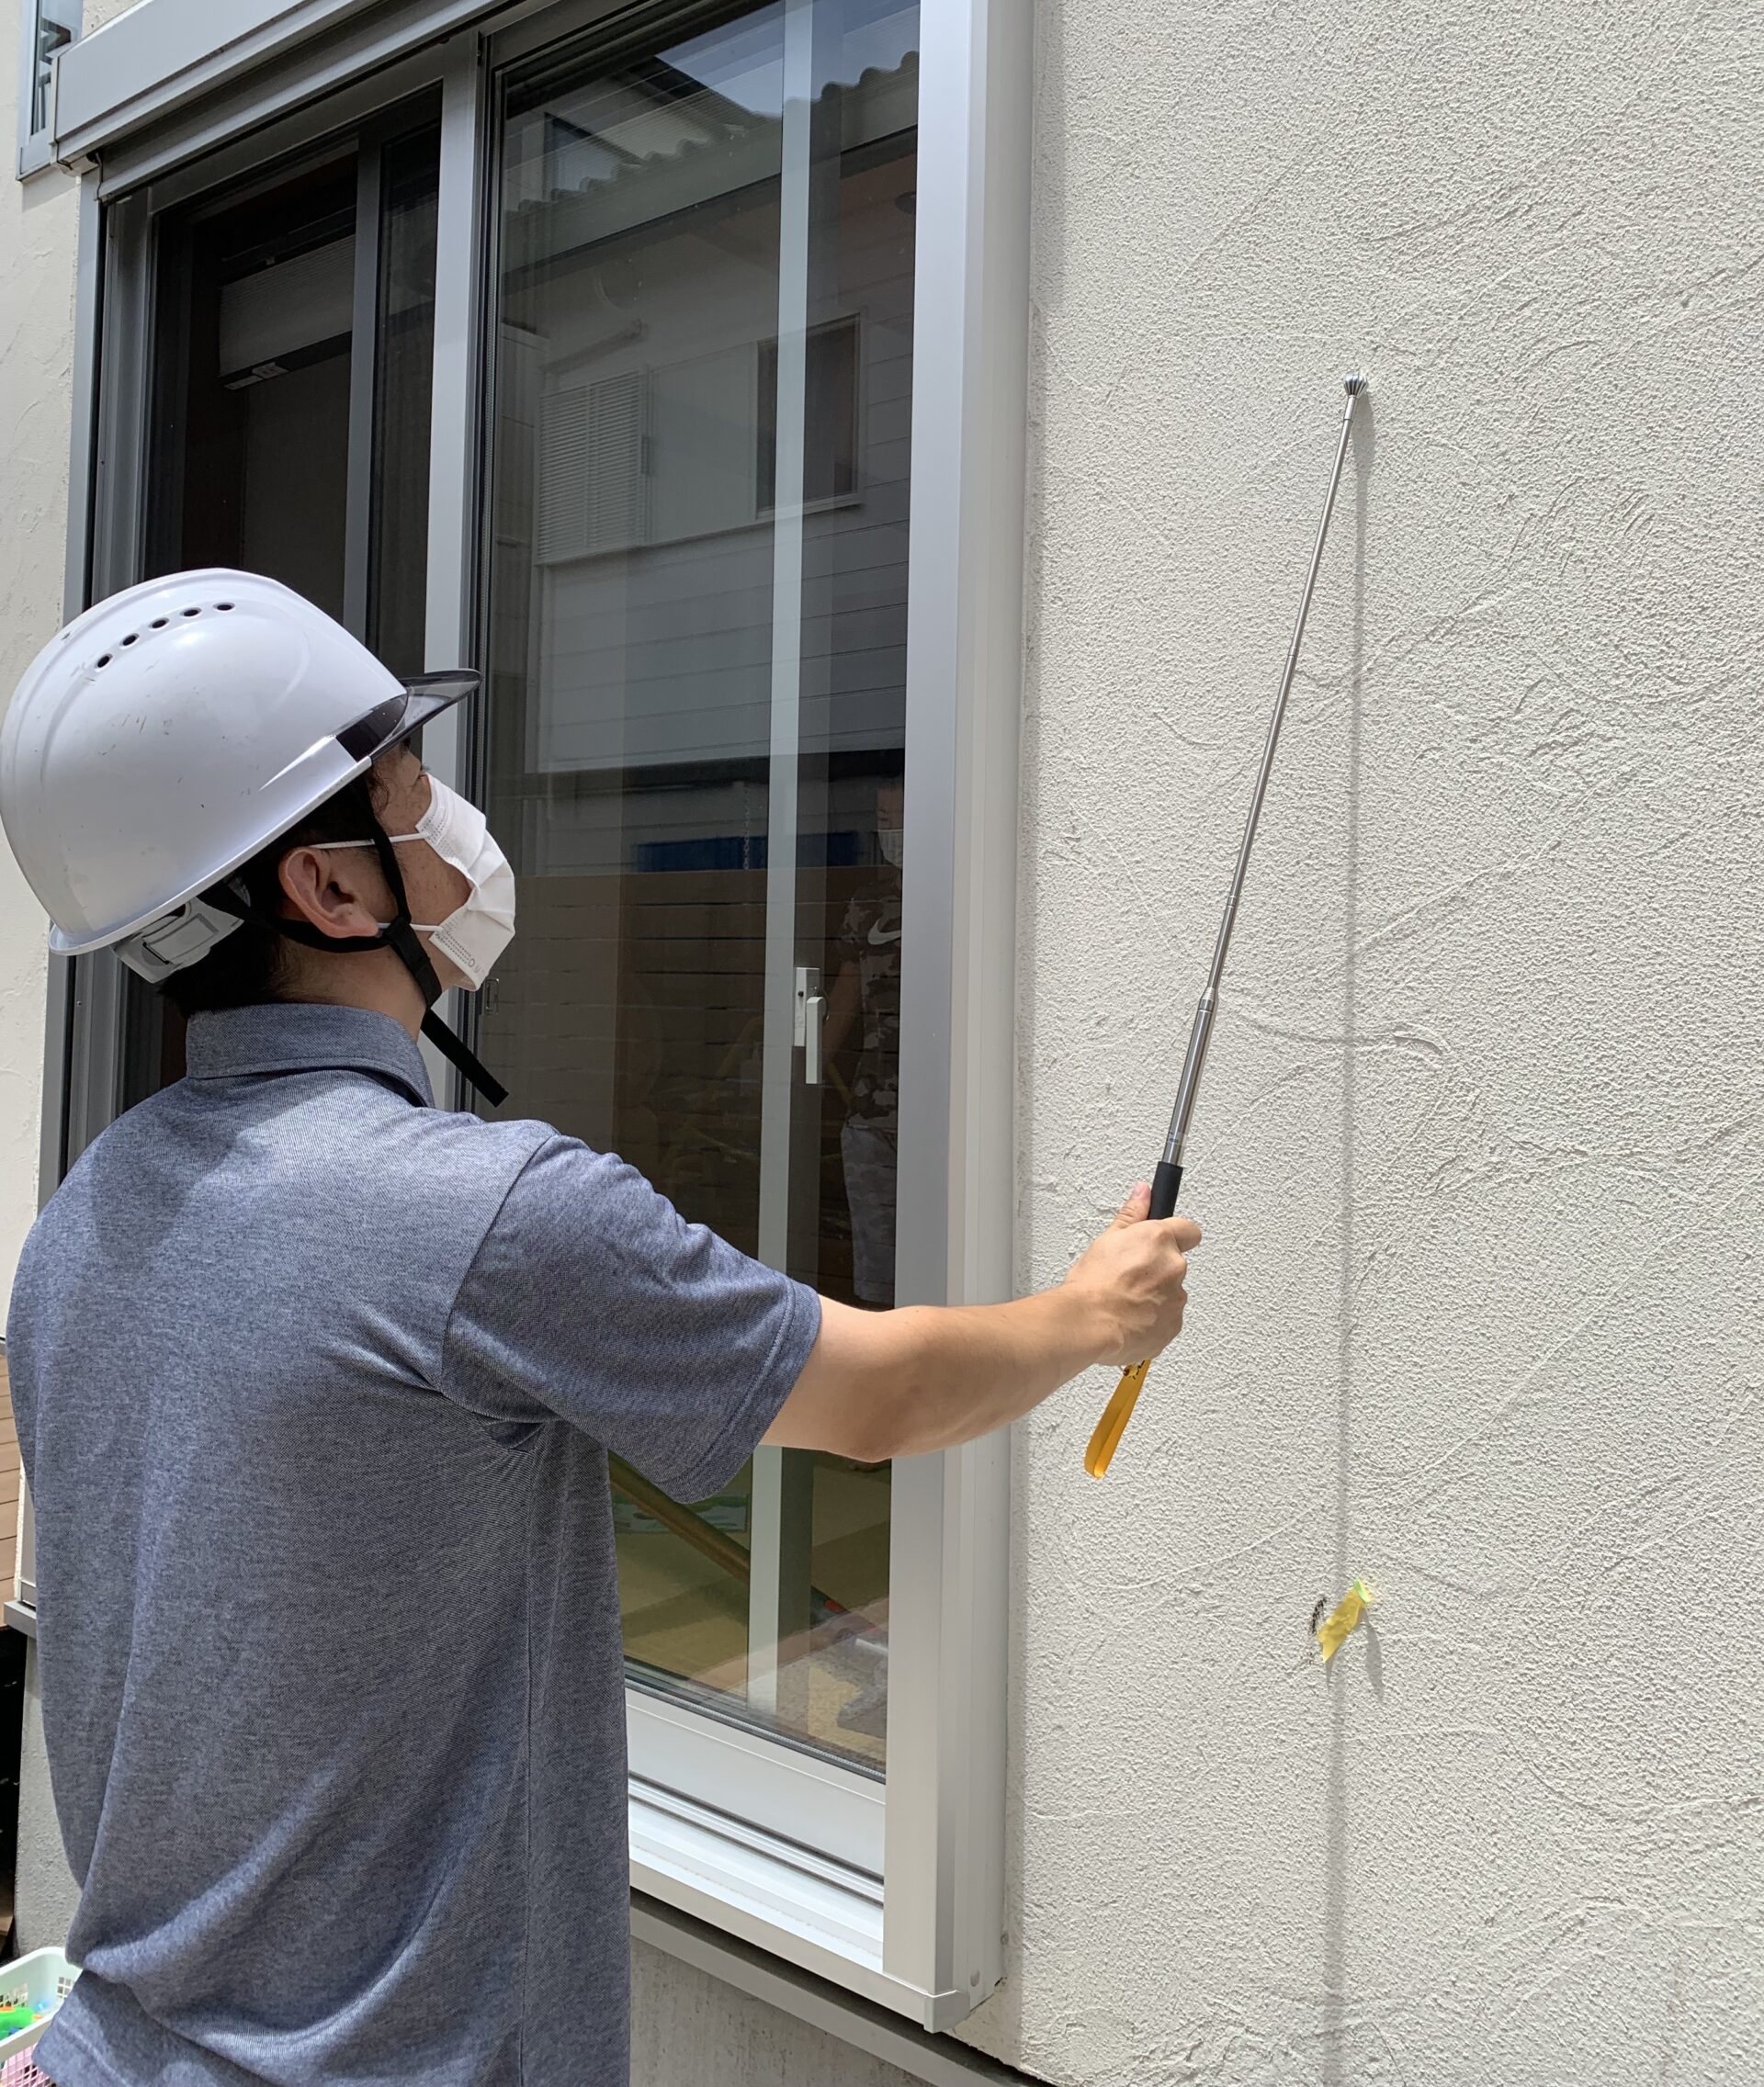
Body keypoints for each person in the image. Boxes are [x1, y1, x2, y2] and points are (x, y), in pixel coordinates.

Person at [0, 570, 1201, 2087]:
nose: (454, 820)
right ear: (334, 887)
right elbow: (876, 1402)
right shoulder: (483, 1218)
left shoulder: (84, 1217)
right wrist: (1094, 1314)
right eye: (410, 783)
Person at [822, 774, 905, 1307]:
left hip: (940, 1114)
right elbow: (842, 1001)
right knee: (877, 1271)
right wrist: (801, 1063)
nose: (890, 831)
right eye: (881, 820)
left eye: (898, 818)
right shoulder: (868, 904)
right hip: (873, 1109)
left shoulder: (960, 895)